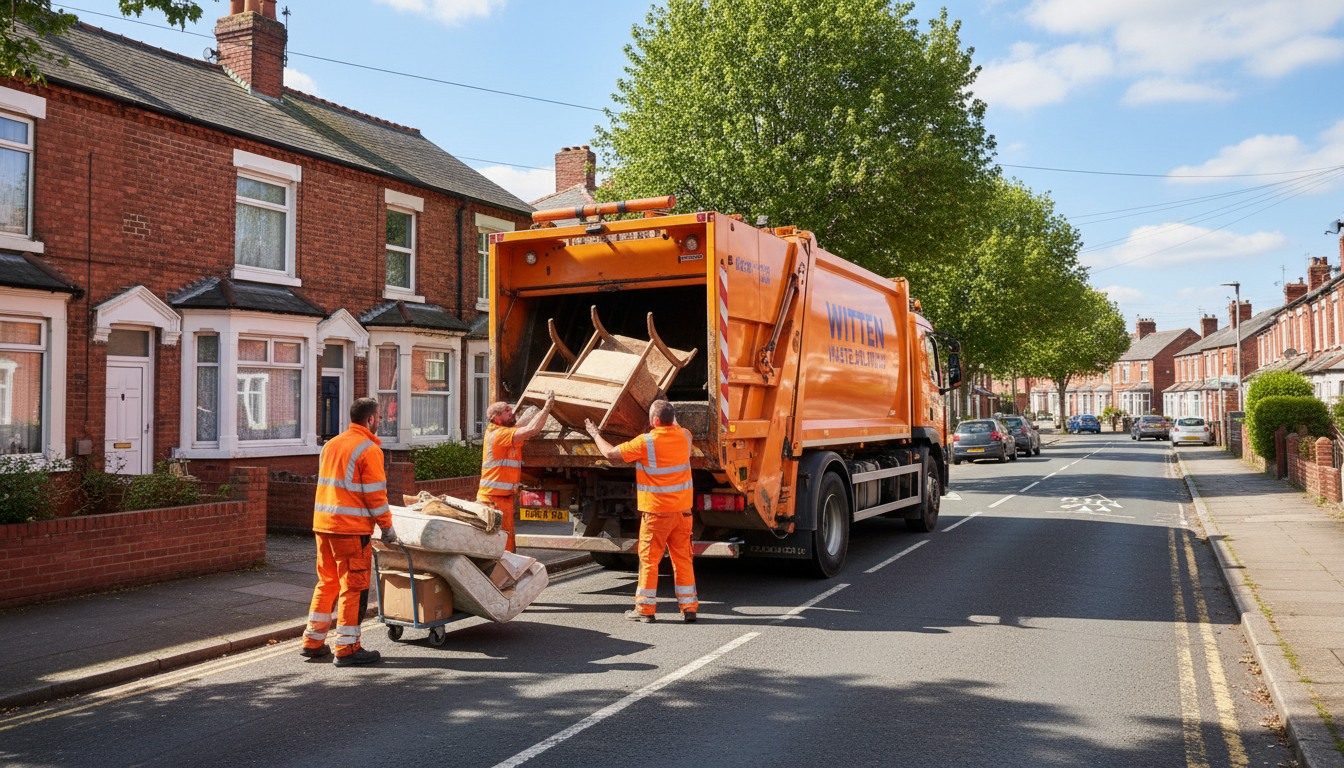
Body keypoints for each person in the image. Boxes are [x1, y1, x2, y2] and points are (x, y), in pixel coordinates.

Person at [301, 397, 396, 667]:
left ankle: (313, 641)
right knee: (353, 586)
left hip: (323, 525)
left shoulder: (331, 445)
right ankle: (347, 648)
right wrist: (387, 528)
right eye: (379, 417)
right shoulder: (369, 449)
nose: (380, 421)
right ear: (370, 419)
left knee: (327, 582)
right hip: (350, 531)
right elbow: (376, 496)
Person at [585, 400, 698, 624]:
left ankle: (645, 610)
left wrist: (595, 433)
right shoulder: (685, 436)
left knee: (649, 560)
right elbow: (671, 421)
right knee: (683, 559)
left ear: (655, 421)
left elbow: (610, 454)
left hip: (657, 513)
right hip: (683, 513)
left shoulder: (646, 442)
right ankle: (689, 608)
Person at [477, 390, 556, 552]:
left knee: (506, 541)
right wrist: (547, 408)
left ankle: (508, 574)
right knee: (500, 544)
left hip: (501, 497)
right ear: (497, 418)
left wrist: (536, 407)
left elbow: (522, 425)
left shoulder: (502, 431)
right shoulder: (499, 435)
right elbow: (532, 430)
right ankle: (500, 574)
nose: (511, 412)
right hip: (493, 499)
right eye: (507, 411)